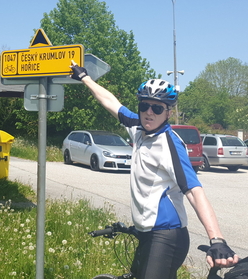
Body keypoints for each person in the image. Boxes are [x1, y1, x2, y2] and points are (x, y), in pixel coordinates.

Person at [70, 62, 238, 279]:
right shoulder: (138, 127)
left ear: (167, 113)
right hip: (146, 233)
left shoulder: (169, 144)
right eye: (144, 106)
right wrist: (84, 77)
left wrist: (217, 239)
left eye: (157, 108)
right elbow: (111, 102)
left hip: (167, 235)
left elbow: (194, 191)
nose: (149, 113)